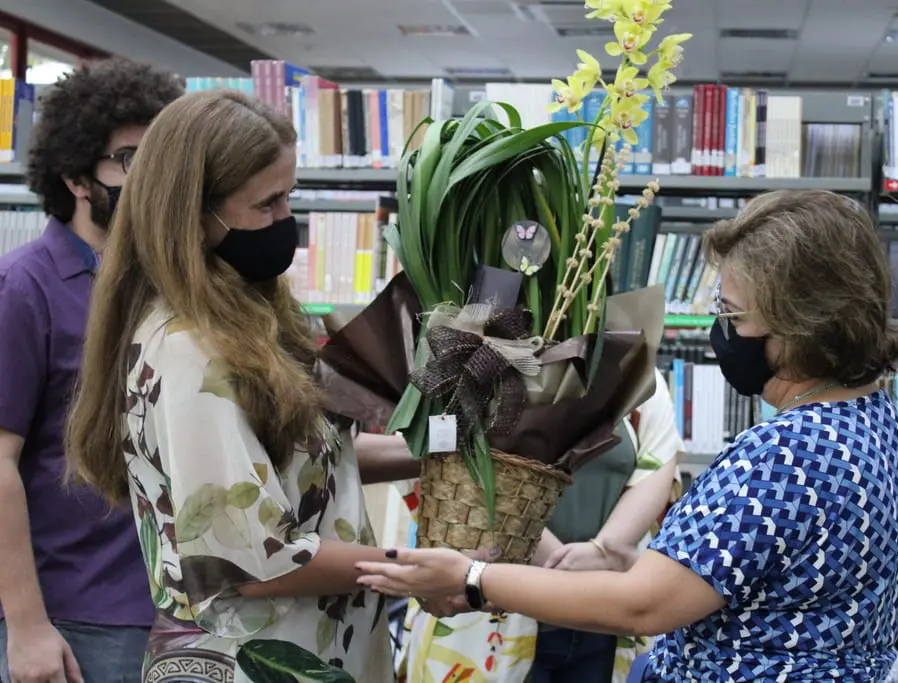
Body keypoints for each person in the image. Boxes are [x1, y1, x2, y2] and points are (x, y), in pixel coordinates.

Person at [355, 189, 898, 682]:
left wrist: (474, 577)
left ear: (803, 325)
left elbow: (642, 604)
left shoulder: (785, 453)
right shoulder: (879, 423)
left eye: (733, 315)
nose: (720, 333)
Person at [63, 89, 396, 683]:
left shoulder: (244, 320)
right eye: (266, 204)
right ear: (193, 214)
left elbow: (301, 466)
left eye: (289, 196)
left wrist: (430, 454)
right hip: (251, 663)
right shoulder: (190, 352)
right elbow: (250, 559)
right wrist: (422, 569)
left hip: (314, 651)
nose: (284, 220)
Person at [0, 59, 184, 683]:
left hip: (174, 606)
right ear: (79, 178)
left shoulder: (168, 285)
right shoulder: (23, 288)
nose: (151, 178)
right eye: (131, 160)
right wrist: (26, 627)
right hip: (76, 617)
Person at [398, 371, 684, 683]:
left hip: (604, 618)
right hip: (489, 613)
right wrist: (557, 564)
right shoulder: (476, 361)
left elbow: (658, 462)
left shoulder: (639, 372)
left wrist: (603, 551)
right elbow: (451, 470)